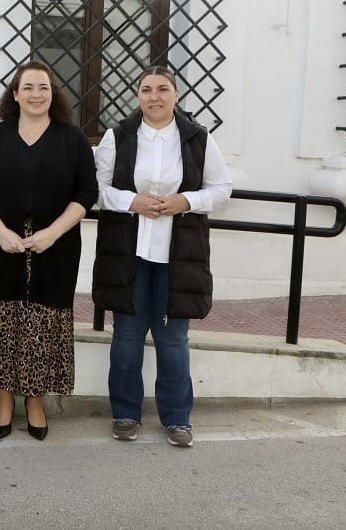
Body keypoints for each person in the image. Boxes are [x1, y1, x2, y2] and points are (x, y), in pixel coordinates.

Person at [93, 66, 232, 447]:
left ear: (176, 94)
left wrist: (185, 201)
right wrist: (130, 201)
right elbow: (97, 189)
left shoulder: (198, 139)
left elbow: (222, 189)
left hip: (178, 255)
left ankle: (177, 419)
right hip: (128, 254)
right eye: (146, 89)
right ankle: (124, 414)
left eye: (162, 89)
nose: (154, 96)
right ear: (137, 95)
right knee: (127, 335)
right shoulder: (117, 136)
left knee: (173, 340)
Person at [0, 60, 97, 441]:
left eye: (44, 87)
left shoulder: (72, 139)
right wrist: (0, 231)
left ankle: (35, 401)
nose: (36, 94)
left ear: (53, 93)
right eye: (28, 87)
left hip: (54, 250)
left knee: (42, 325)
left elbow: (86, 193)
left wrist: (53, 234)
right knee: (2, 323)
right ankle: (5, 399)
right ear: (15, 94)